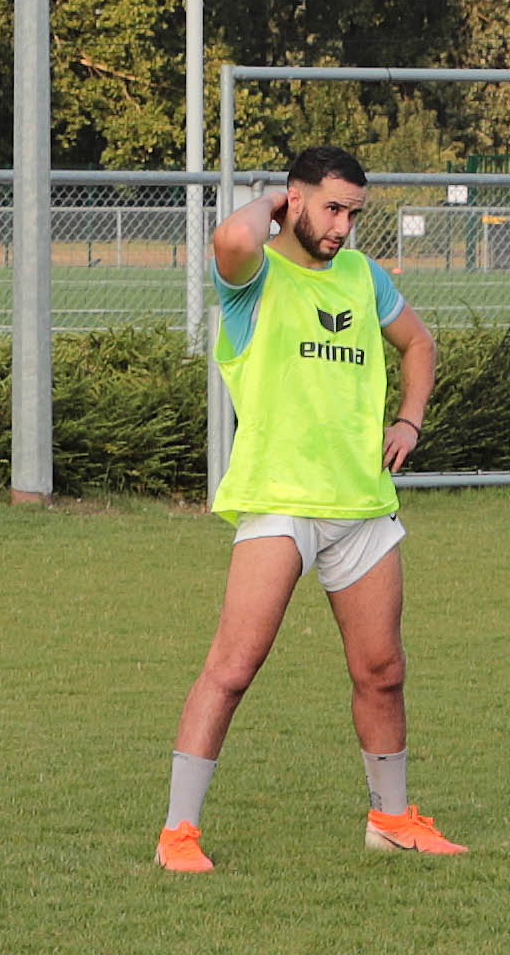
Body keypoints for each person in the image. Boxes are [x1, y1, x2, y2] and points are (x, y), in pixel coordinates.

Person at [157, 147, 456, 873]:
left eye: (354, 213)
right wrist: (273, 203)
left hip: (361, 504)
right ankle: (178, 835)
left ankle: (391, 819)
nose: (343, 227)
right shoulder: (252, 278)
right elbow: (230, 237)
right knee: (233, 667)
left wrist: (409, 421)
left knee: (382, 669)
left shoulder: (364, 277)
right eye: (331, 208)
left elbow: (419, 343)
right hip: (279, 502)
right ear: (294, 199)